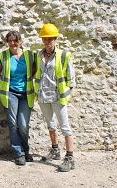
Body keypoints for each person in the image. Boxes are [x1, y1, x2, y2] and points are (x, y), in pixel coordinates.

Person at [35, 23, 76, 172]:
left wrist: (65, 94)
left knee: (65, 127)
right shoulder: (39, 55)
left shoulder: (63, 55)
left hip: (58, 97)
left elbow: (71, 80)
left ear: (55, 39)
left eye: (50, 38)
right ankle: (55, 150)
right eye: (45, 39)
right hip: (43, 96)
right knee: (51, 125)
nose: (48, 41)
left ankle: (70, 158)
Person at [0, 30, 36, 166]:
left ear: (20, 41)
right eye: (10, 41)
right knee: (13, 124)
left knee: (23, 124)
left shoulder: (30, 55)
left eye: (15, 40)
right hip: (10, 93)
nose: (12, 43)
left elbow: (34, 70)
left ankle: (26, 149)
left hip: (26, 94)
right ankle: (19, 153)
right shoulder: (3, 56)